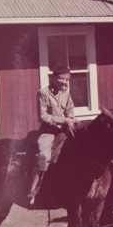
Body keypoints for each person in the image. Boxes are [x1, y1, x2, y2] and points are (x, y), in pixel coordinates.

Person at [28, 65, 80, 203]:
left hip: (65, 129)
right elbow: (43, 117)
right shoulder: (43, 93)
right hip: (48, 131)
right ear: (53, 77)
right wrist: (64, 120)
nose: (63, 82)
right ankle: (32, 190)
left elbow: (70, 110)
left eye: (66, 79)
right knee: (44, 156)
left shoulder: (66, 92)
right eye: (61, 78)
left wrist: (72, 120)